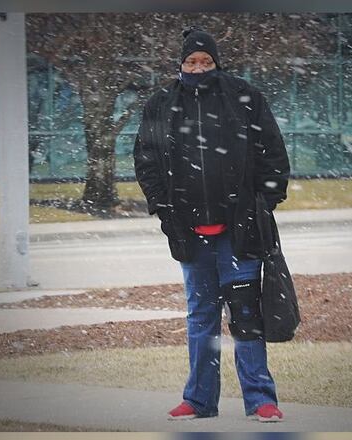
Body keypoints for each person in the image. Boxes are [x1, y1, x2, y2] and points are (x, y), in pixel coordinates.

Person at [133, 26, 290, 422]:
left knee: (246, 316)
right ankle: (199, 400)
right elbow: (146, 161)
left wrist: (262, 205)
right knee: (201, 317)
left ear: (217, 63)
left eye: (206, 61)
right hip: (190, 234)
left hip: (240, 233)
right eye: (191, 61)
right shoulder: (162, 104)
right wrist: (164, 210)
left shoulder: (245, 98)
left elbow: (273, 155)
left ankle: (261, 399)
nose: (198, 68)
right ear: (180, 64)